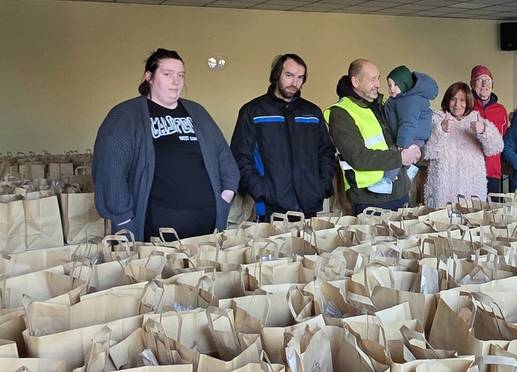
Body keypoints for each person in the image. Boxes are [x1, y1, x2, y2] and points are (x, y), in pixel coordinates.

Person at [92, 48, 239, 240]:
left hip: (207, 224)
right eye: (167, 74)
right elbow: (111, 170)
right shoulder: (125, 116)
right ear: (149, 77)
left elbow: (224, 158)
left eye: (181, 75)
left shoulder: (197, 112)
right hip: (155, 229)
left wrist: (224, 201)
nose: (176, 81)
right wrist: (123, 219)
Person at [230, 53, 337, 219]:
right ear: (276, 75)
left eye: (300, 78)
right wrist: (261, 191)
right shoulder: (253, 111)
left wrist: (322, 186)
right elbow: (240, 157)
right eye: (289, 75)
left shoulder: (312, 112)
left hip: (309, 204)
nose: (294, 83)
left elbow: (326, 152)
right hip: (271, 207)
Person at [326, 58, 421, 215]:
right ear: (355, 82)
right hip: (370, 199)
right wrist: (400, 158)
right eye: (372, 79)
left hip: (400, 192)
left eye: (378, 78)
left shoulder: (381, 106)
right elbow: (358, 157)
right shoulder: (341, 112)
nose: (378, 84)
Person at [424, 82, 504, 206]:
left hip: (472, 190)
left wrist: (484, 130)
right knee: (441, 217)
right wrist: (441, 131)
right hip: (443, 190)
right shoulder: (436, 120)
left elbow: (496, 147)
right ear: (447, 100)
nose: (457, 104)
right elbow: (428, 153)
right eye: (453, 99)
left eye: (462, 100)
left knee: (472, 216)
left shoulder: (477, 120)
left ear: (468, 102)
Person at [382, 65, 438, 182]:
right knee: (405, 157)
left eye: (396, 85)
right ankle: (411, 169)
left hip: (412, 137)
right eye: (389, 85)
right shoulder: (400, 98)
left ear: (404, 84)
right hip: (412, 136)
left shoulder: (409, 100)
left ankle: (386, 180)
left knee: (396, 153)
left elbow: (408, 123)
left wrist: (402, 144)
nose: (392, 88)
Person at [470, 65, 509, 195]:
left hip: (493, 171)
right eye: (480, 80)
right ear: (472, 84)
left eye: (488, 80)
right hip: (470, 172)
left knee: (493, 207)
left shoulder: (501, 110)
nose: (485, 84)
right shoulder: (466, 107)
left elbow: (505, 139)